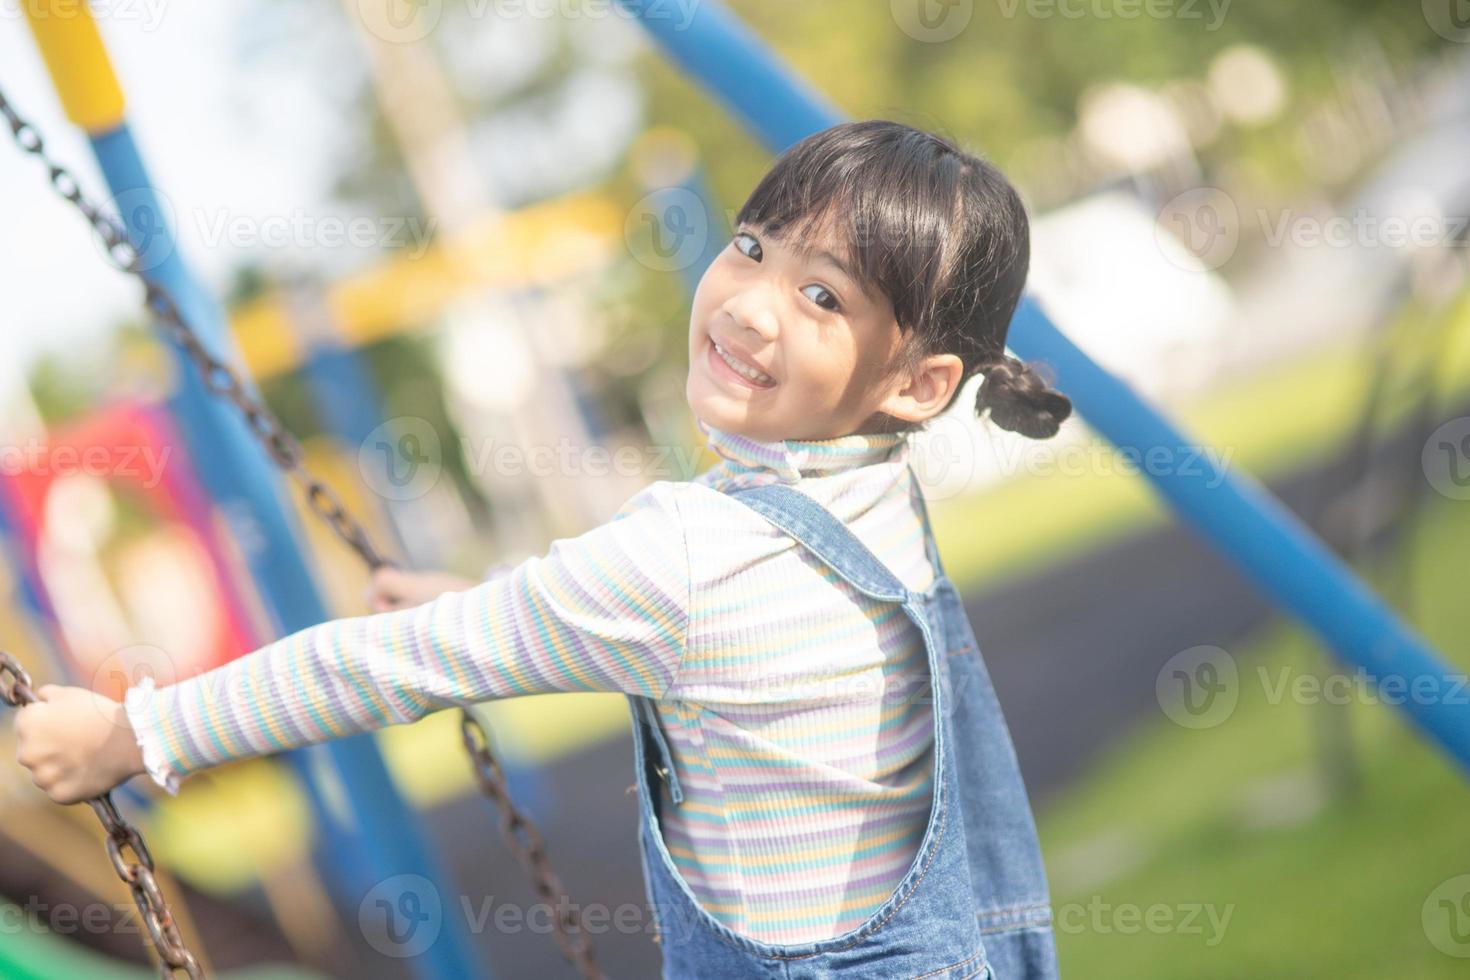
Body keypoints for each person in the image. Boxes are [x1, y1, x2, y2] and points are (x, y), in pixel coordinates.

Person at [15, 119, 1068, 979]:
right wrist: (481, 594)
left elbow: (379, 665)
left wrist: (136, 732)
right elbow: (720, 643)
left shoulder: (689, 548)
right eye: (753, 246)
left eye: (822, 295)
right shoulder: (879, 499)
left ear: (920, 383)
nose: (750, 305)